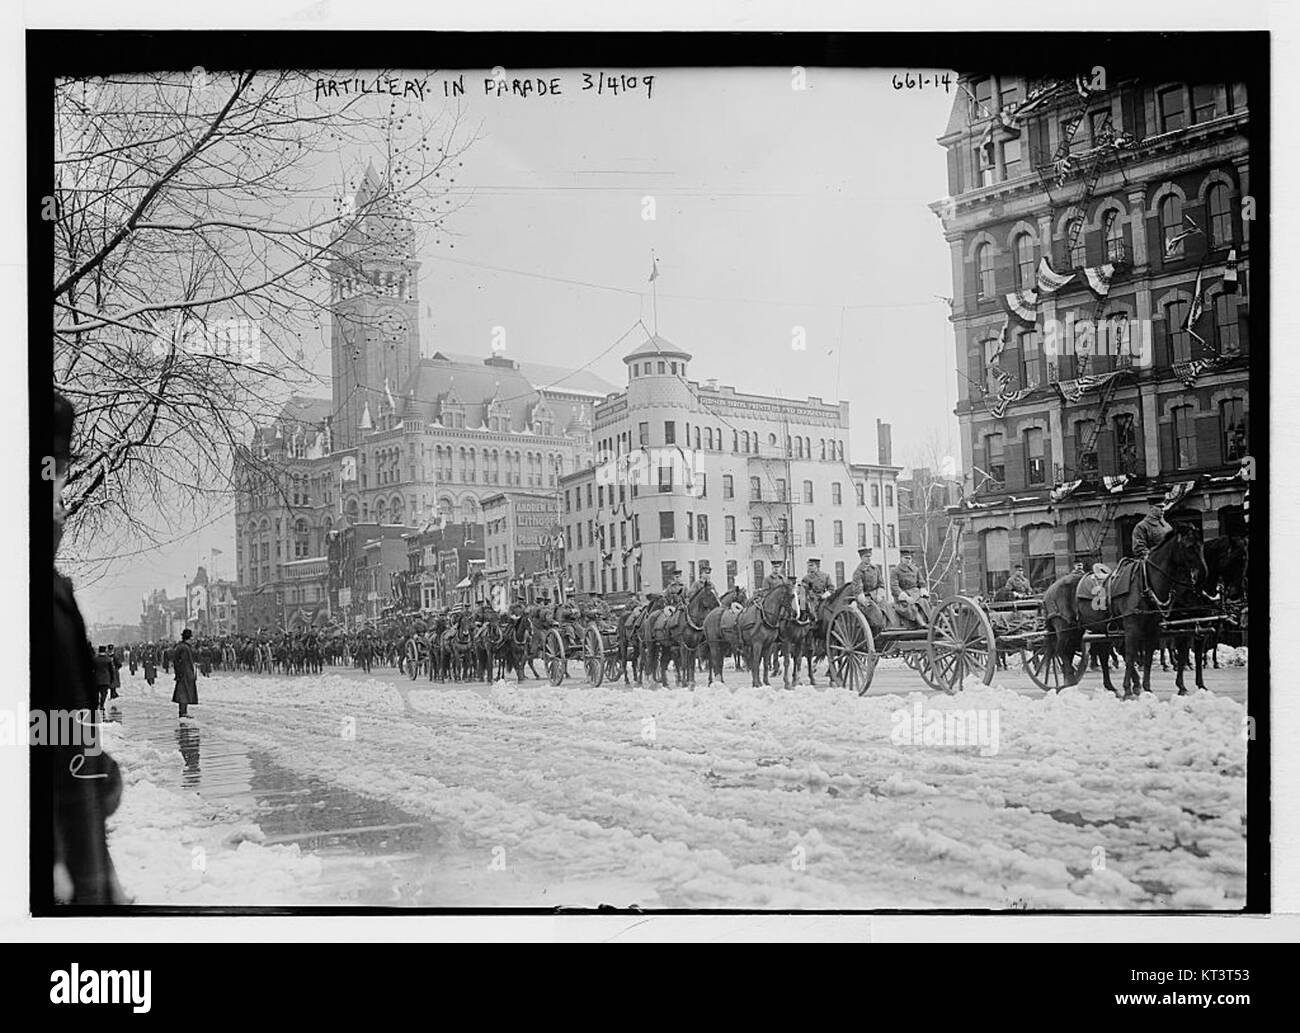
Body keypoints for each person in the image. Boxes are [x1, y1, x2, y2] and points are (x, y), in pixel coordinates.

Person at [49, 390, 127, 904]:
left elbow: (66, 734)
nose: (61, 506)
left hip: (79, 857)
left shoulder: (52, 591)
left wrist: (100, 777)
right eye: (55, 483)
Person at [1132, 494, 1173, 558]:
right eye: (1159, 507)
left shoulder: (1167, 526)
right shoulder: (1142, 526)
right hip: (1152, 563)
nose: (1162, 509)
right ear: (1151, 508)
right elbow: (1139, 549)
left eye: (1163, 507)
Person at [172, 628, 198, 720]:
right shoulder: (184, 648)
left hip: (184, 673)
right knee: (183, 694)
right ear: (188, 638)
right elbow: (182, 662)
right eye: (191, 638)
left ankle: (183, 711)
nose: (192, 640)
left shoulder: (182, 646)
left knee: (184, 693)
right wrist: (181, 673)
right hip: (185, 674)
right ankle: (183, 712)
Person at [800, 556, 833, 621]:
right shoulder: (806, 578)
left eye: (811, 565)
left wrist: (827, 594)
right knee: (811, 611)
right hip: (812, 599)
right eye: (808, 565)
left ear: (816, 566)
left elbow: (831, 588)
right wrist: (811, 595)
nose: (809, 567)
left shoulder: (825, 576)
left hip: (824, 598)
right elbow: (803, 591)